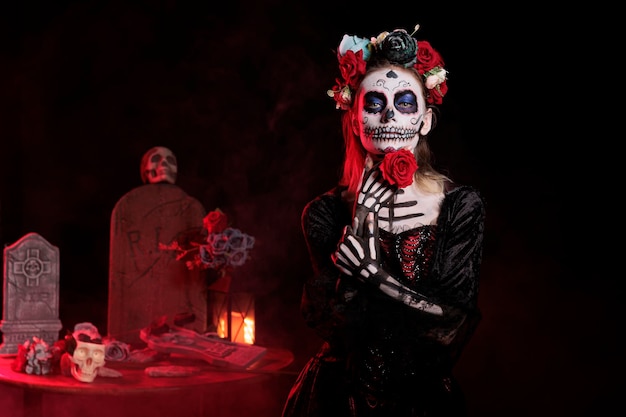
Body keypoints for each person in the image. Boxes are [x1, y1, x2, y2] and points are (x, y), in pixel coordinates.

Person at [281, 25, 486, 417]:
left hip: (422, 402)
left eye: (405, 102)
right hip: (336, 401)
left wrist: (375, 276)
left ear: (425, 120)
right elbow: (339, 330)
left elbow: (453, 323)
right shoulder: (323, 213)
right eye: (374, 103)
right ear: (356, 120)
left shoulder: (460, 206)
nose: (390, 113)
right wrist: (361, 217)